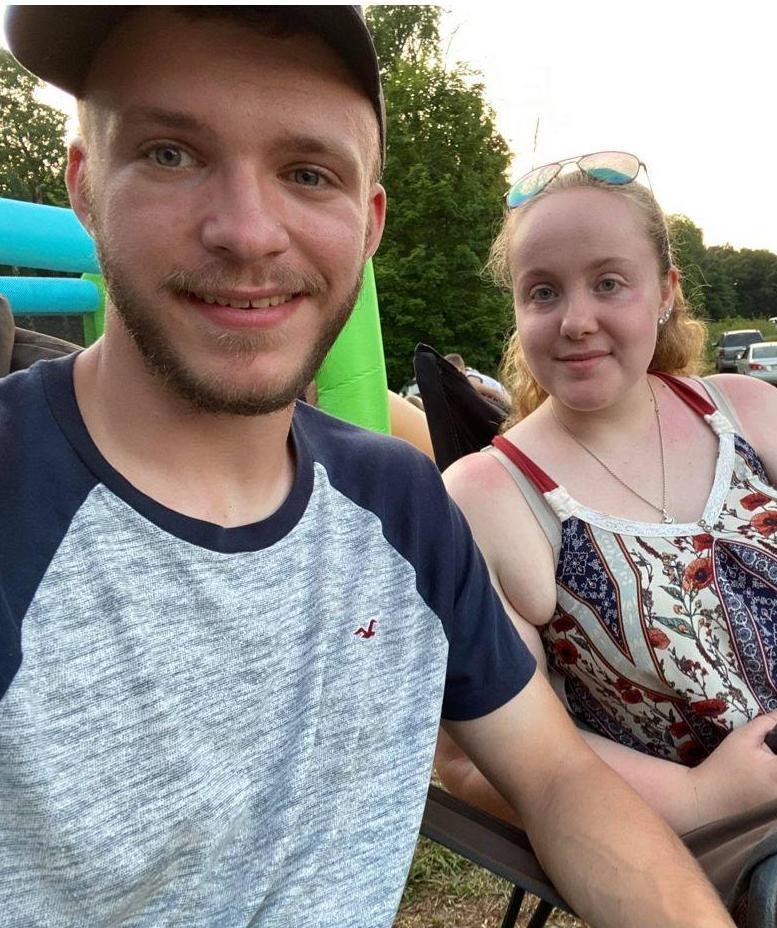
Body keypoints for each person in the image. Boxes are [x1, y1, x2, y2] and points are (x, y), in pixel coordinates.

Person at [0, 9, 736, 928]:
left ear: (369, 222)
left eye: (308, 173)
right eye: (170, 154)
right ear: (82, 183)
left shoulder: (399, 502)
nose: (247, 232)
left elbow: (557, 779)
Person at [434, 153, 777, 927]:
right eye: (543, 291)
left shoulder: (746, 413)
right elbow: (473, 757)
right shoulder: (490, 497)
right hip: (748, 849)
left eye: (609, 283)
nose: (576, 319)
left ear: (665, 291)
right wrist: (703, 797)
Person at [444, 351, 511, 407]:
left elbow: (495, 393)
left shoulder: (471, 380)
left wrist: (510, 408)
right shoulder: (468, 374)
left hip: (504, 399)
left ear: (458, 368)